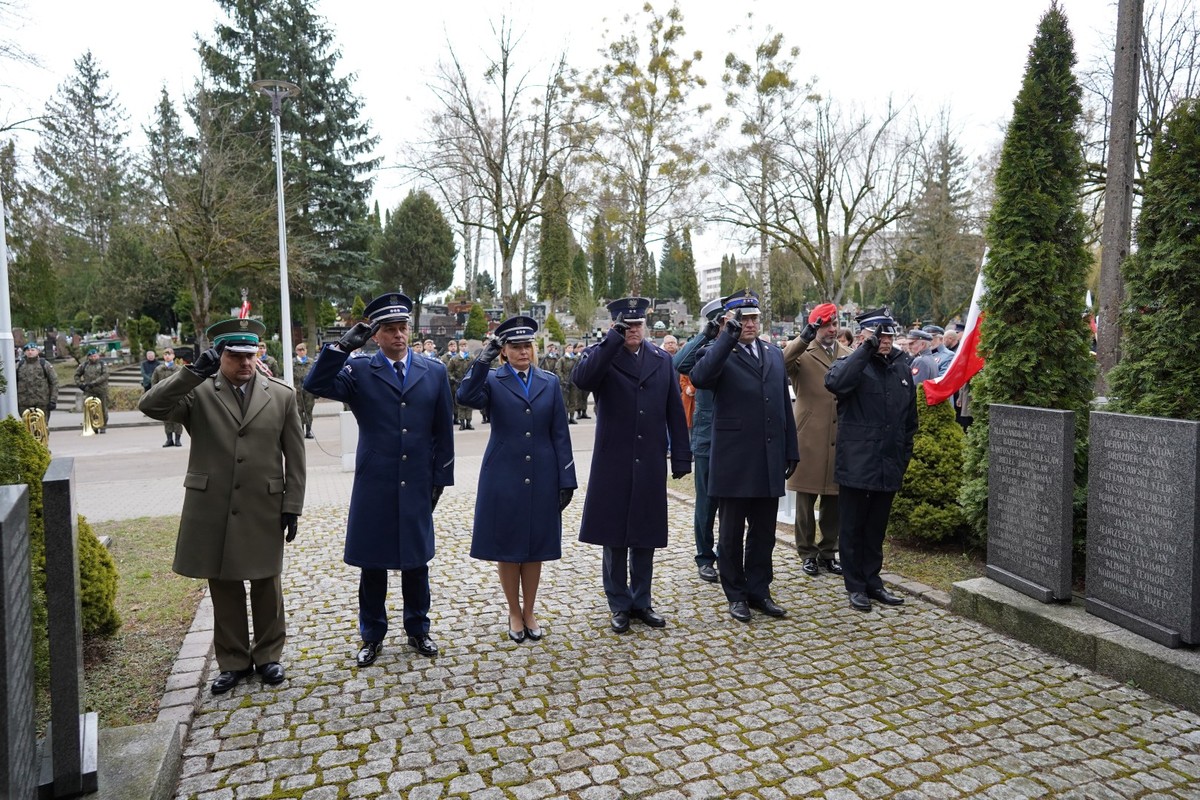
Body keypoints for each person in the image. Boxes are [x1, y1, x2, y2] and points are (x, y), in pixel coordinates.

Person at [139, 318, 306, 693]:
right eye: (235, 356)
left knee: (266, 584)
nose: (245, 362)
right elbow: (150, 406)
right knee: (224, 585)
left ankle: (269, 656)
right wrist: (191, 374)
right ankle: (233, 661)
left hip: (263, 504)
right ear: (219, 356)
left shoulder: (281, 395)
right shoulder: (198, 392)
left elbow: (295, 456)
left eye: (250, 355)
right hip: (214, 505)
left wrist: (293, 504)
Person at [303, 292, 454, 665]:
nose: (399, 335)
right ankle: (372, 635)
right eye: (390, 329)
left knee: (416, 561)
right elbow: (315, 384)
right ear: (375, 335)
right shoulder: (359, 371)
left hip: (417, 478)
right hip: (376, 480)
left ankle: (418, 629)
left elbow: (443, 430)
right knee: (372, 564)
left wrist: (441, 477)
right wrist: (340, 348)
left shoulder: (433, 371)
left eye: (403, 327)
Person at [571, 297, 691, 633]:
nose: (633, 330)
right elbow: (582, 380)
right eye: (626, 325)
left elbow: (674, 410)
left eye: (637, 324)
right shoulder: (602, 354)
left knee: (645, 533)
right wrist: (611, 340)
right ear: (614, 326)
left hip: (650, 457)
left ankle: (642, 600)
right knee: (614, 536)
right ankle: (619, 603)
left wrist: (681, 455)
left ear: (645, 326)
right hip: (614, 459)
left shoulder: (661, 359)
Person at [456, 316, 577, 643]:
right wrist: (483, 359)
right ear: (504, 351)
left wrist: (567, 478)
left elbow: (560, 433)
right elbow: (465, 395)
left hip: (542, 473)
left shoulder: (549, 381)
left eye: (527, 346)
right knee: (508, 545)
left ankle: (530, 610)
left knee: (535, 546)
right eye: (516, 347)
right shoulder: (492, 380)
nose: (523, 352)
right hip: (504, 474)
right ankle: (513, 610)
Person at [690, 290, 798, 622]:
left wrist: (790, 449)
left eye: (753, 318)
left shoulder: (773, 353)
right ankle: (735, 593)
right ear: (729, 320)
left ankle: (759, 590)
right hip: (734, 460)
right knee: (731, 533)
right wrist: (727, 337)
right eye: (743, 318)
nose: (749, 324)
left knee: (764, 532)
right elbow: (699, 377)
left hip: (768, 457)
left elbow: (783, 404)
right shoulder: (718, 351)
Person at [824, 307, 917, 613]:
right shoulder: (852, 364)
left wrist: (902, 457)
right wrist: (865, 350)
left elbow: (909, 421)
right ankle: (855, 585)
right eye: (878, 335)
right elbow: (836, 383)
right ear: (863, 335)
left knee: (876, 528)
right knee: (852, 528)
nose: (885, 341)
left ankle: (873, 580)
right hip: (857, 463)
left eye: (888, 335)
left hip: (888, 462)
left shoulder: (901, 368)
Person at [783, 302, 852, 577]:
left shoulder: (847, 354)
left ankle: (828, 552)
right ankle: (807, 552)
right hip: (809, 435)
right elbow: (782, 362)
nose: (832, 329)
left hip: (839, 435)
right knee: (805, 499)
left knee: (834, 500)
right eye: (826, 325)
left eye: (835, 324)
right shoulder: (803, 353)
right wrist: (803, 338)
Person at [673, 299, 725, 583]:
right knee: (706, 504)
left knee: (732, 504)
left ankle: (727, 553)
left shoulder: (739, 349)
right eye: (722, 322)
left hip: (736, 440)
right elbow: (679, 364)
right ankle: (705, 557)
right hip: (707, 437)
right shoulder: (705, 350)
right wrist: (706, 334)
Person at [17, 342, 58, 424]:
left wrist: (53, 400)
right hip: (24, 403)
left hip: (42, 403)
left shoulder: (45, 364)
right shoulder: (19, 365)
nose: (30, 352)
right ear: (24, 352)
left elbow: (54, 383)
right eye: (28, 350)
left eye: (32, 350)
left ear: (37, 351)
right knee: (26, 426)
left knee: (42, 426)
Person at [151, 347, 185, 447]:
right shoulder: (159, 369)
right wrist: (156, 395)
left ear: (173, 356)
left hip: (177, 397)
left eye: (169, 354)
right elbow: (154, 382)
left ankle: (178, 439)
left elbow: (183, 382)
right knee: (166, 419)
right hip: (164, 397)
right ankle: (169, 439)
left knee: (178, 418)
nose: (167, 356)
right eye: (165, 354)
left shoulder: (179, 369)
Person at [74, 348, 110, 433]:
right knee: (91, 409)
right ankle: (94, 426)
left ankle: (103, 426)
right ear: (89, 357)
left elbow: (105, 375)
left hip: (101, 390)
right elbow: (76, 375)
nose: (93, 358)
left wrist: (94, 383)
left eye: (95, 356)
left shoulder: (102, 364)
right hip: (89, 391)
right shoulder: (84, 365)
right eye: (91, 356)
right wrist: (80, 384)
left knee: (103, 409)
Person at [290, 343, 317, 439]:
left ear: (306, 351)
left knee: (309, 411)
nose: (301, 352)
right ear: (296, 351)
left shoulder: (311, 362)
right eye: (299, 350)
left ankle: (308, 431)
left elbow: (315, 376)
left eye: (303, 350)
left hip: (309, 391)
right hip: (297, 391)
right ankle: (300, 431)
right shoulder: (292, 362)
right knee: (298, 411)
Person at [571, 342, 591, 419]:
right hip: (578, 379)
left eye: (582, 347)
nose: (581, 349)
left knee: (585, 397)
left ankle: (584, 412)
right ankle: (578, 412)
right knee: (578, 397)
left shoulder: (586, 356)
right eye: (580, 347)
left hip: (586, 378)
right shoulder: (575, 358)